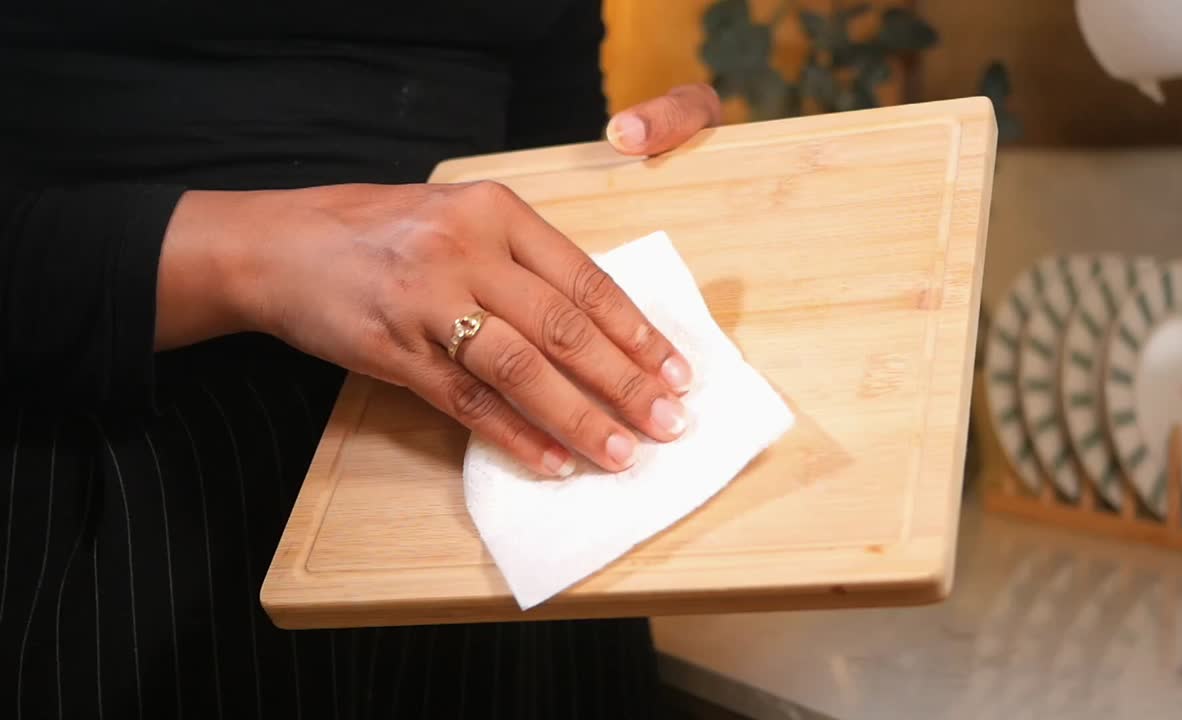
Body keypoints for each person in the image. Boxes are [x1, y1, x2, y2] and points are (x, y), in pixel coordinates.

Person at [0, 2, 723, 717]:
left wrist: (631, 168)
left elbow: (539, 119)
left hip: (516, 484)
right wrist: (253, 255)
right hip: (134, 473)